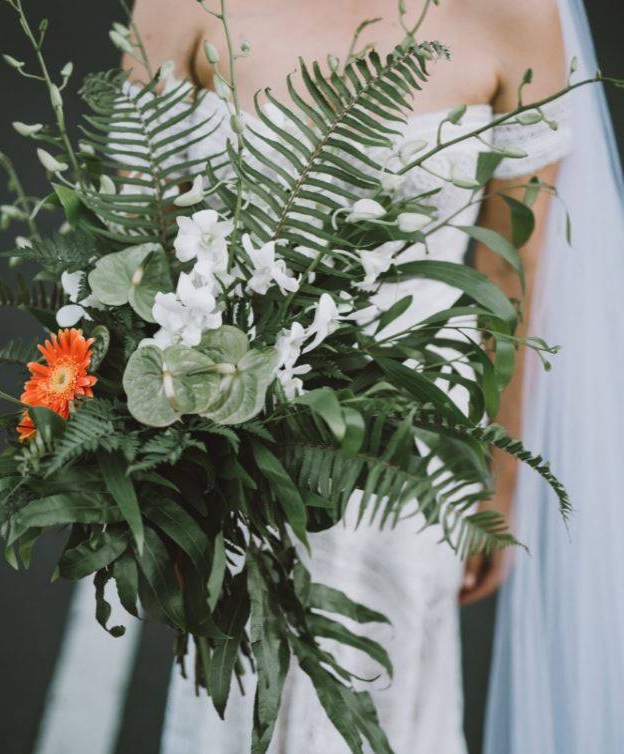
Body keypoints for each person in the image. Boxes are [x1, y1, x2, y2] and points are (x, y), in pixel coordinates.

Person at [121, 1, 574, 752]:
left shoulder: (518, 14)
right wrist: (152, 476)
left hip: (411, 435)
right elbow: (139, 242)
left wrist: (499, 475)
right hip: (230, 419)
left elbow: (510, 268)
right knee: (240, 692)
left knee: (381, 692)